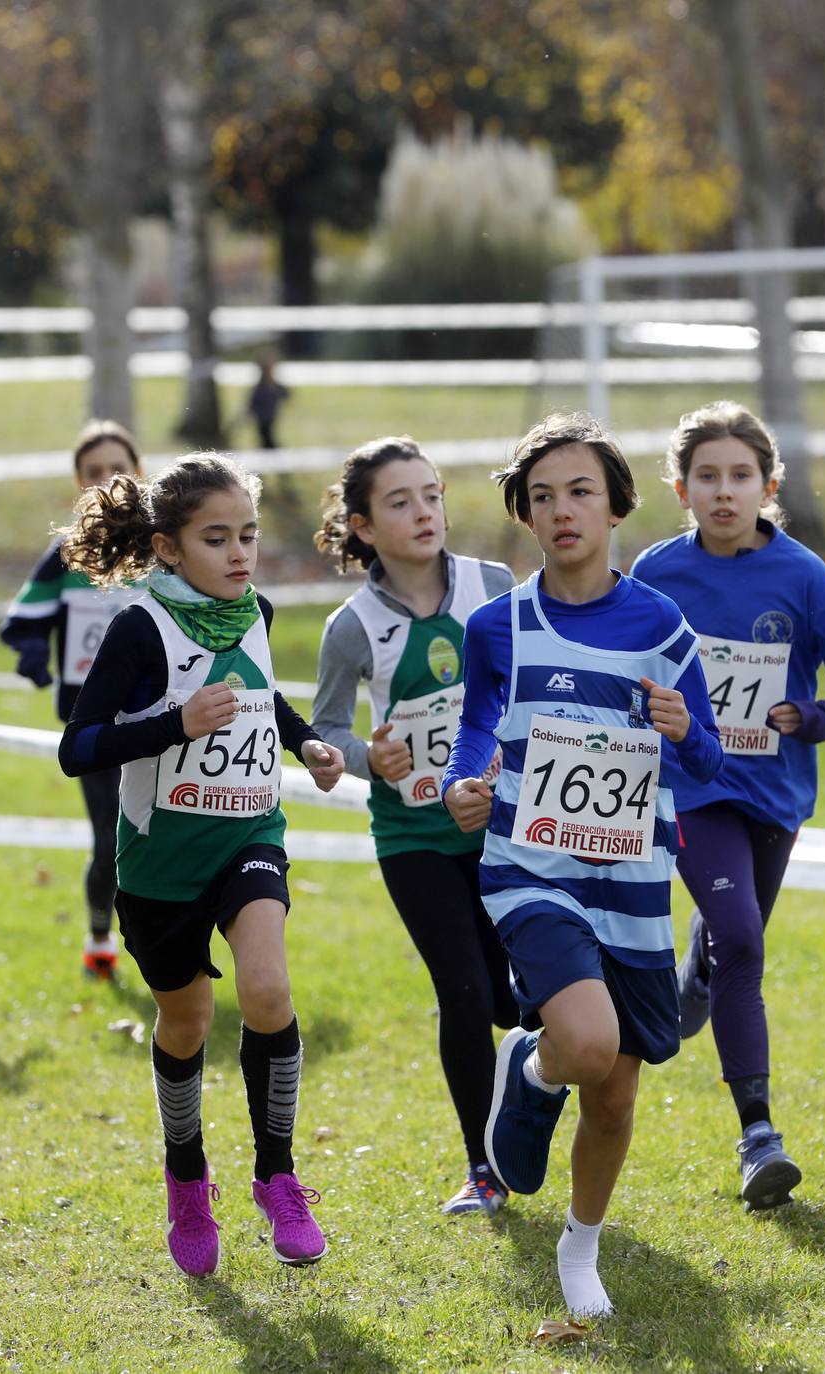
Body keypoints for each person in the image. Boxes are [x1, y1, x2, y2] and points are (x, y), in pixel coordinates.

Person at [442, 413, 723, 1317]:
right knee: (589, 1042)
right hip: (530, 868)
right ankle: (530, 1070)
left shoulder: (661, 626)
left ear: (614, 509)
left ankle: (580, 1245)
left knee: (612, 1094)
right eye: (543, 497)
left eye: (580, 493)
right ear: (524, 514)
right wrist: (462, 787)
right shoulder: (497, 627)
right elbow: (475, 734)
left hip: (631, 879)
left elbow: (708, 757)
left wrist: (684, 731)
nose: (562, 511)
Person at [56, 455, 346, 1278]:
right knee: (185, 1024)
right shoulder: (141, 627)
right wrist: (174, 724)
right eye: (215, 538)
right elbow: (78, 748)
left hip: (249, 838)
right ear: (168, 547)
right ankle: (187, 1183)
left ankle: (276, 1176)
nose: (239, 553)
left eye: (247, 535)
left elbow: (263, 698)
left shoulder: (250, 609)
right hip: (158, 867)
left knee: (267, 990)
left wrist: (306, 744)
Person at [629, 401, 825, 1211]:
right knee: (740, 939)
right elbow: (618, 663)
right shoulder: (655, 574)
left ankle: (697, 975)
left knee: (728, 944)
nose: (724, 491)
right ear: (680, 488)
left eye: (740, 476)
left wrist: (810, 718)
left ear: (768, 486)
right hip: (690, 787)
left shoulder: (803, 577)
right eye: (707, 477)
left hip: (773, 792)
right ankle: (758, 1136)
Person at [312, 436, 519, 1215]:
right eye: (399, 502)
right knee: (464, 995)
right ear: (363, 526)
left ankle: (523, 1111)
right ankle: (483, 1168)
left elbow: (533, 682)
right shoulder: (352, 628)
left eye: (430, 494)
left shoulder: (491, 586)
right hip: (416, 840)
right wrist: (371, 758)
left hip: (504, 824)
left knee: (518, 1002)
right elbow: (325, 731)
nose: (423, 512)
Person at [0, 420, 142, 980]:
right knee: (110, 833)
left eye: (118, 467)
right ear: (78, 484)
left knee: (164, 829)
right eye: (94, 472)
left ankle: (162, 938)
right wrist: (34, 650)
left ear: (140, 471)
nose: (108, 479)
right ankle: (100, 936)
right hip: (94, 721)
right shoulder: (66, 552)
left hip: (164, 715)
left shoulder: (164, 546)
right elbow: (21, 620)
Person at [248, 349, 289, 451]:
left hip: (270, 417)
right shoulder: (260, 388)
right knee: (266, 440)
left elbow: (286, 395)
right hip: (263, 418)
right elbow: (253, 404)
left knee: (268, 440)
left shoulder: (273, 385)